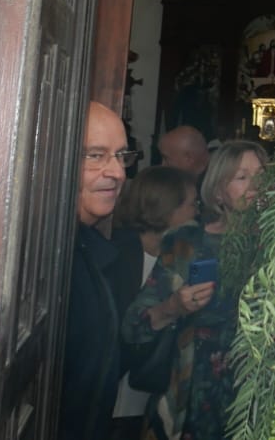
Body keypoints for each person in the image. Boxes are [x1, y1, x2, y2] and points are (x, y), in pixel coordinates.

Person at [124, 141, 269, 440]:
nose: (255, 185)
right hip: (193, 397)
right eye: (242, 177)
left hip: (261, 398)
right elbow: (133, 327)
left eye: (262, 175)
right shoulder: (186, 244)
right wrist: (173, 307)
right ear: (218, 191)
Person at [59, 102, 144, 440]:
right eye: (96, 155)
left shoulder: (88, 251)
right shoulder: (44, 260)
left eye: (122, 156)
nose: (118, 172)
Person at [109, 167, 199, 440]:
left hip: (153, 397)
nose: (197, 212)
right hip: (115, 403)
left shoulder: (184, 256)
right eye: (191, 204)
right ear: (166, 208)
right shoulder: (116, 254)